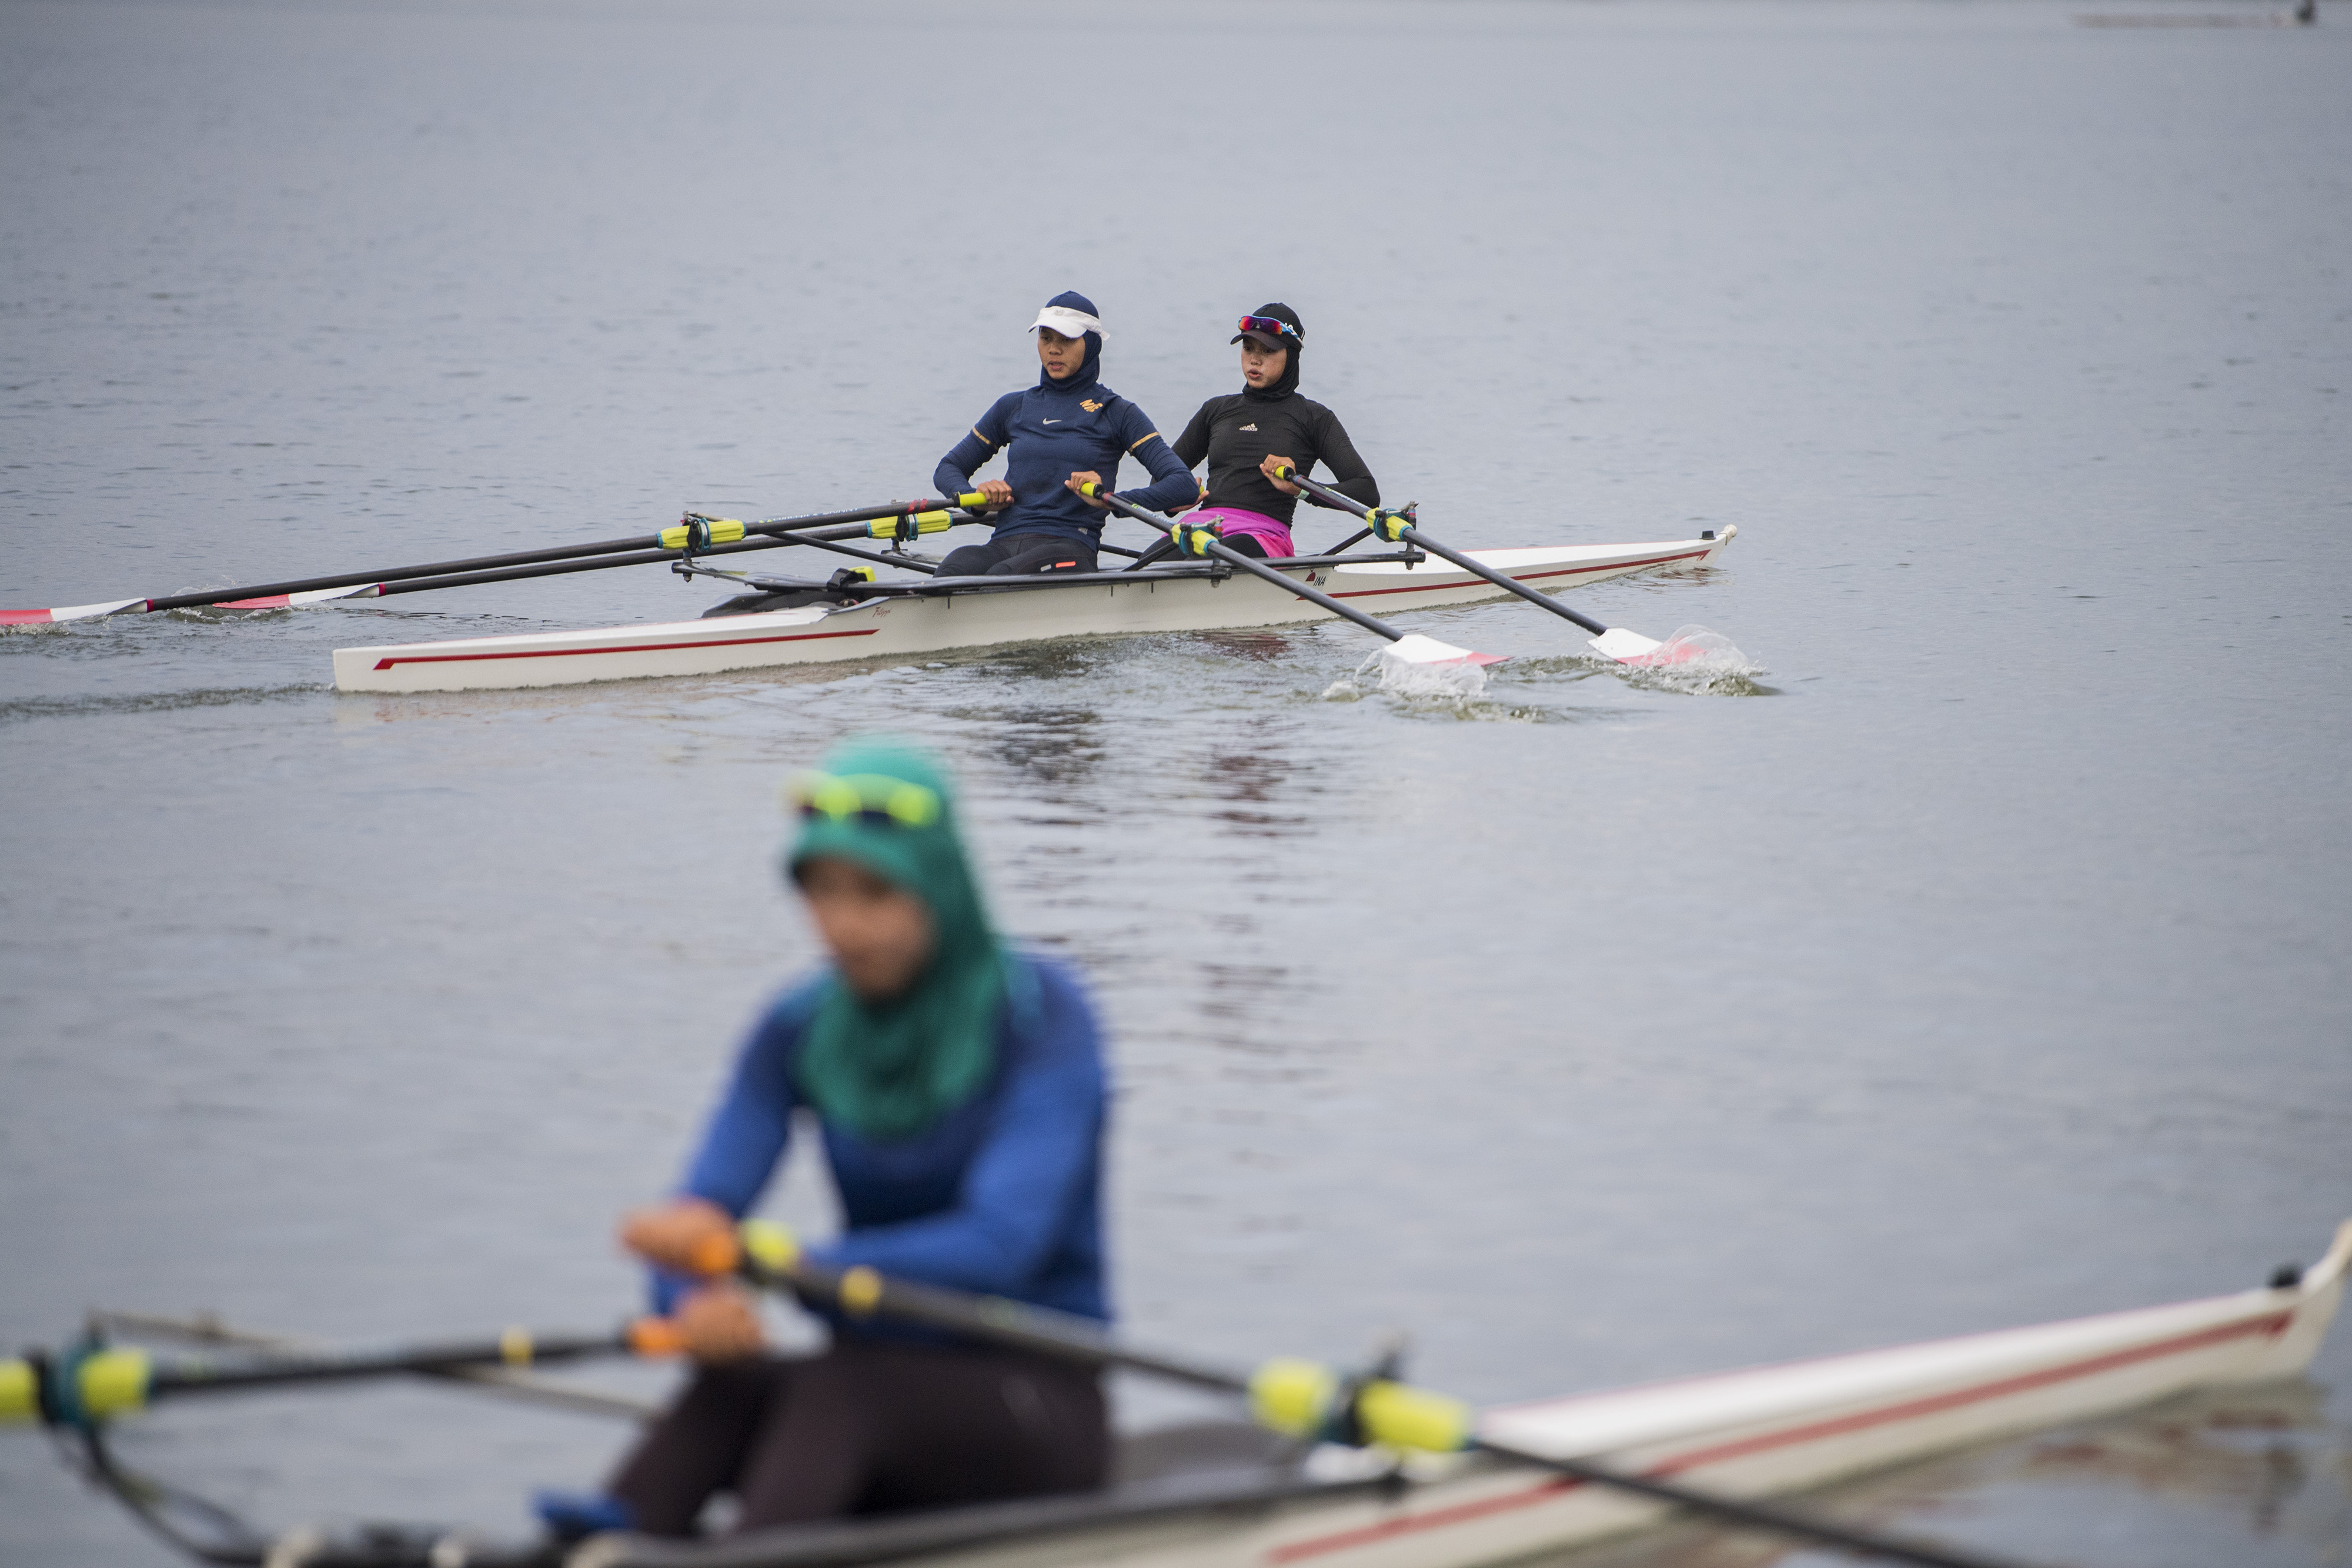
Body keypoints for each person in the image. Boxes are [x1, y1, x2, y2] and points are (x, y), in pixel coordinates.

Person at [549, 739, 1112, 1539]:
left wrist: (777, 1263)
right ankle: (600, 1545)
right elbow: (698, 1217)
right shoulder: (799, 1026)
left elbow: (998, 1244)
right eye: (821, 892)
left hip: (1037, 1397)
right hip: (870, 1393)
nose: (843, 924)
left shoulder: (1044, 1016)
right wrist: (696, 1302)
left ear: (940, 886)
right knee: (731, 1384)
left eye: (877, 891)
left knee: (840, 1386)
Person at [932, 291, 1198, 577]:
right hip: (1004, 541)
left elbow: (1183, 485)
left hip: (1070, 546)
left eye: (1066, 340)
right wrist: (976, 500)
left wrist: (1110, 500)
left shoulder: (1116, 412)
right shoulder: (1013, 407)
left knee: (1001, 575)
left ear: (1092, 344)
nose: (1053, 350)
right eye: (1046, 339)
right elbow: (948, 469)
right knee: (953, 567)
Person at [1162, 303, 1379, 560]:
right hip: (1198, 527)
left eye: (1268, 350)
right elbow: (1162, 479)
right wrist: (1172, 499)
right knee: (1144, 569)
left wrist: (1301, 488)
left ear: (1291, 356)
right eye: (1248, 348)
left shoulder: (1314, 418)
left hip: (1263, 535)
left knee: (1206, 561)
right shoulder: (1215, 410)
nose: (1255, 359)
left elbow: (1367, 492)